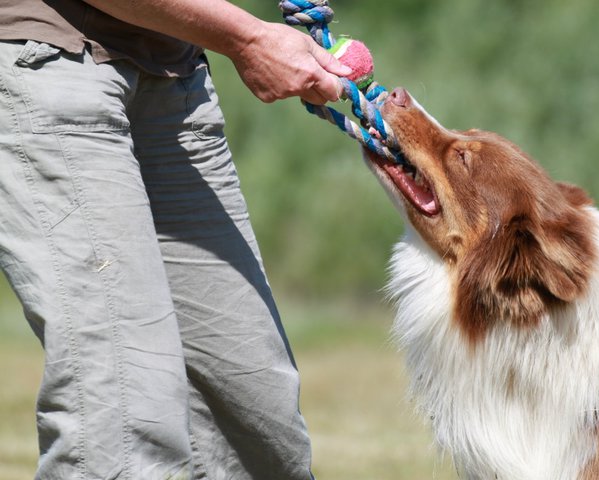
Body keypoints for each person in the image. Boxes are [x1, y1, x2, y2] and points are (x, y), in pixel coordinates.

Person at [0, 0, 352, 478]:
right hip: (48, 57)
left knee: (256, 425)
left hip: (172, 70)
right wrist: (248, 38)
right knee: (127, 415)